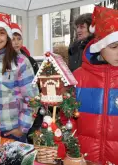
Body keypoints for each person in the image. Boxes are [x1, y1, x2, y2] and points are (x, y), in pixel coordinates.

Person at [0, 9, 39, 142]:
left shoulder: (20, 62)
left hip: (12, 131)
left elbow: (32, 98)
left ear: (8, 36)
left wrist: (22, 128)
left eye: (1, 33)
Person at [73, 6, 118, 164]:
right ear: (99, 46)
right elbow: (68, 119)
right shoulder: (79, 77)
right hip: (85, 158)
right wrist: (71, 153)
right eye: (114, 47)